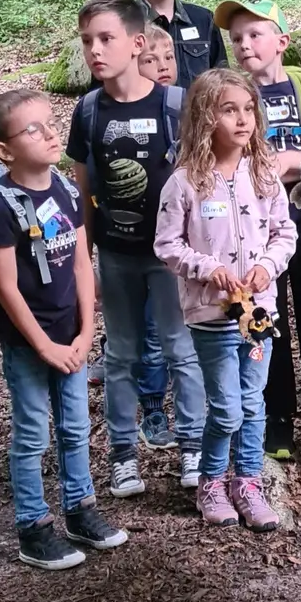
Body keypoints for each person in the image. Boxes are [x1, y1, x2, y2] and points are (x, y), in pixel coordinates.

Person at [0, 89, 128, 570]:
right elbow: (6, 287)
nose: (48, 133)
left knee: (76, 425)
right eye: (32, 129)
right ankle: (33, 525)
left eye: (49, 122)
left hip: (71, 335)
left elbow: (82, 263)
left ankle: (80, 508)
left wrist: (86, 331)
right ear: (4, 150)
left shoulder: (65, 189)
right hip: (30, 342)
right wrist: (43, 345)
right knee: (31, 433)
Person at [68, 0, 205, 497]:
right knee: (121, 354)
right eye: (88, 41)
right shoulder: (88, 111)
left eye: (106, 39)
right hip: (116, 253)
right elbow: (83, 191)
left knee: (181, 351)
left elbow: (200, 181)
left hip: (171, 258)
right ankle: (123, 455)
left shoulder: (176, 105)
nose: (95, 50)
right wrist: (84, 262)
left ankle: (194, 447)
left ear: (137, 43)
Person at [155, 69, 297, 530]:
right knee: (227, 407)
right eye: (228, 110)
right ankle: (212, 481)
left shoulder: (264, 175)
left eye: (248, 109)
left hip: (260, 314)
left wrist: (267, 266)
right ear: (204, 118)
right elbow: (167, 244)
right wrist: (206, 268)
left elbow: (285, 233)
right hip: (212, 316)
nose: (242, 119)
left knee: (253, 403)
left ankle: (249, 482)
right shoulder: (184, 182)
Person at [213, 0, 301, 461]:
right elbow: (231, 159)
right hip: (257, 226)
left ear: (282, 41)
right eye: (236, 39)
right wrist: (284, 166)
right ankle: (278, 415)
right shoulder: (234, 97)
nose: (244, 45)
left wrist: (293, 162)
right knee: (269, 317)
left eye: (255, 34)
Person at [130, 23, 177, 449]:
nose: (163, 66)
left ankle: (197, 409)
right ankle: (153, 408)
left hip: (193, 245)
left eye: (169, 58)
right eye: (151, 59)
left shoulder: (185, 107)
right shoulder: (117, 116)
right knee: (152, 330)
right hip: (145, 246)